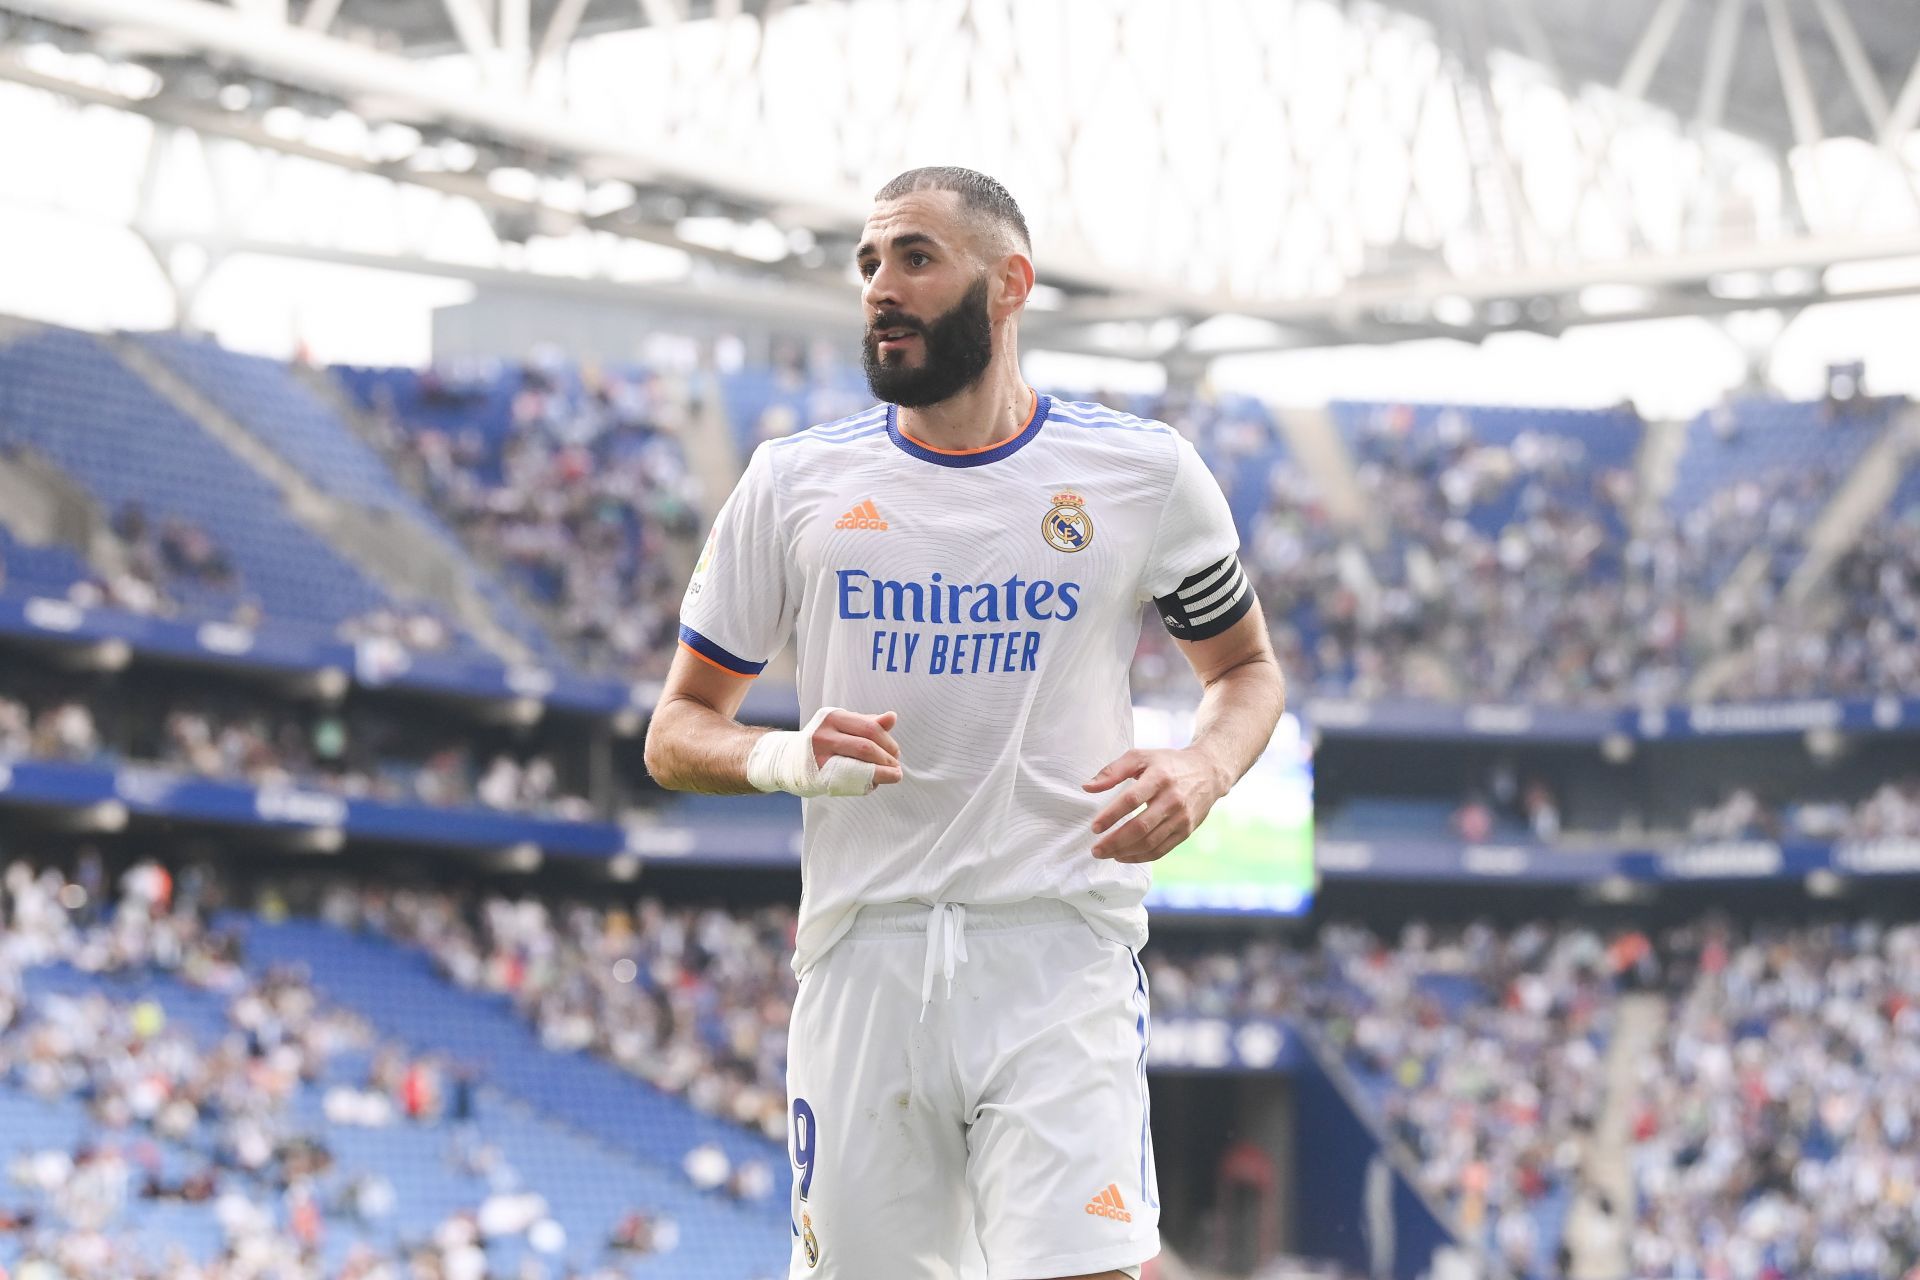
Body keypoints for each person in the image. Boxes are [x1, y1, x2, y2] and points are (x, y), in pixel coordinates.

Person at [645, 166, 1285, 1280]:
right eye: (868, 263)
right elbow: (676, 729)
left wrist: (1205, 765)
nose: (880, 288)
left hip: (1059, 950)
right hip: (863, 960)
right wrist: (787, 755)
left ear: (1009, 284)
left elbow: (1246, 670)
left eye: (915, 258)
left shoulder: (1138, 473)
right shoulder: (793, 482)